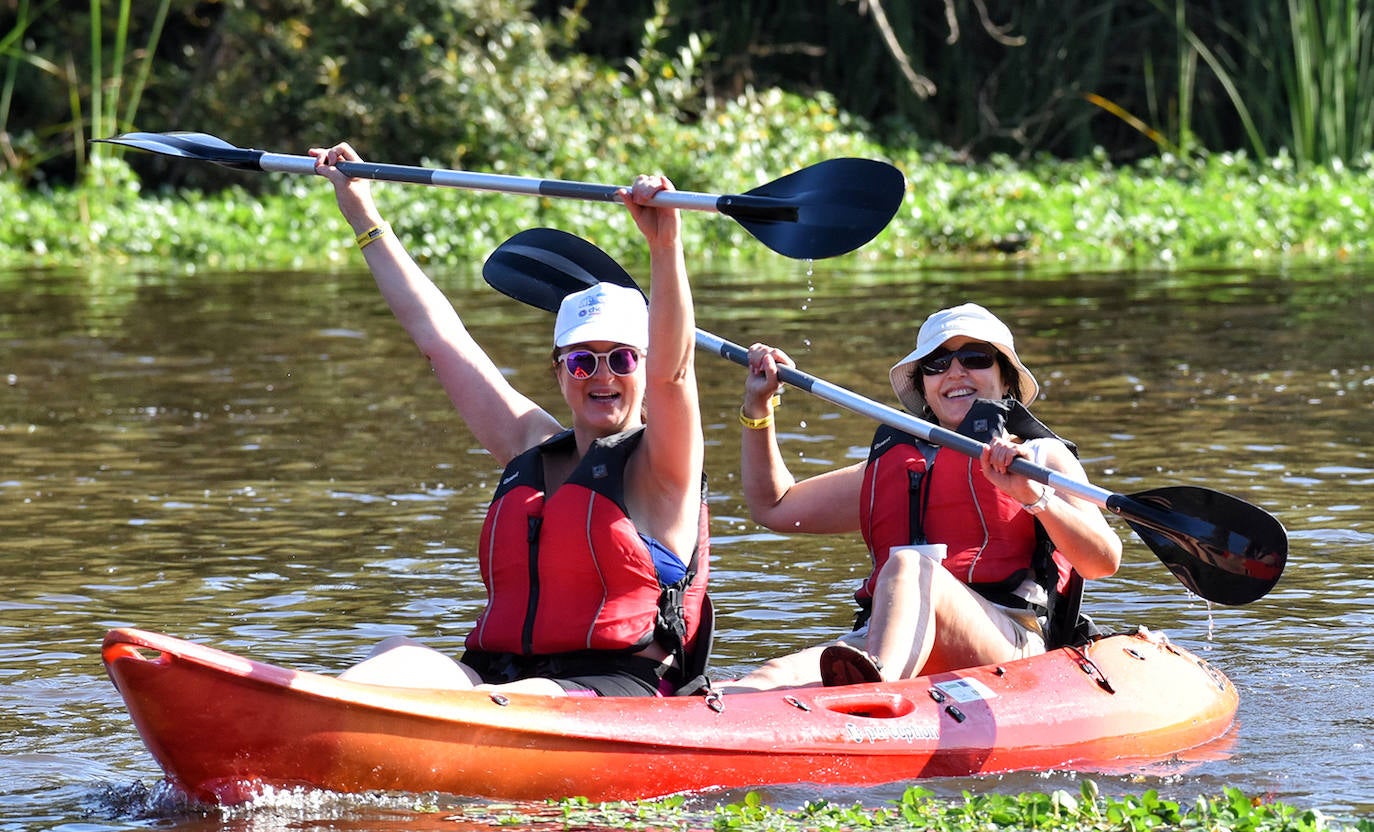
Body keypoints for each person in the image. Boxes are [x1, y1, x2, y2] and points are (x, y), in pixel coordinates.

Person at [310, 141, 709, 697]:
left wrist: (665, 247)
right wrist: (362, 212)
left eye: (621, 358)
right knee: (392, 659)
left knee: (525, 699)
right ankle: (299, 721)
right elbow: (442, 342)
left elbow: (674, 376)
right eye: (581, 360)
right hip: (503, 677)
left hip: (615, 688)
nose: (602, 375)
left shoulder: (664, 466)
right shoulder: (531, 441)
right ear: (559, 371)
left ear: (641, 365)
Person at [723, 303, 1122, 690]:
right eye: (937, 364)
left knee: (912, 565)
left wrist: (1036, 499)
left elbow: (1104, 561)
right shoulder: (897, 464)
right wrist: (759, 406)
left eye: (976, 358)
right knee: (770, 678)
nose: (955, 372)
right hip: (889, 637)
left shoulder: (1038, 457)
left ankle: (872, 690)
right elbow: (774, 507)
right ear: (924, 387)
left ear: (1005, 378)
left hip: (1006, 641)